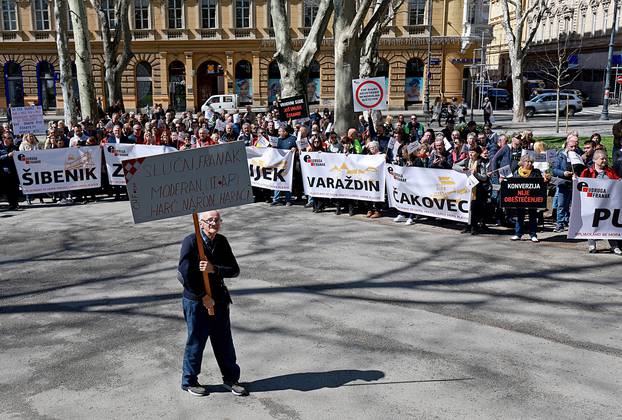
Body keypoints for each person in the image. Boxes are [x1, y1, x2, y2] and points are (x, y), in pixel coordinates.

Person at [178, 210, 249, 397]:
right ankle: (189, 381)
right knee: (196, 341)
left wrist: (213, 269)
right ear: (201, 223)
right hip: (196, 301)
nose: (213, 224)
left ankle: (231, 379)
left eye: (217, 220)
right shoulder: (192, 242)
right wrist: (203, 296)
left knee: (224, 341)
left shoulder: (222, 241)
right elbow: (184, 274)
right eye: (209, 220)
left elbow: (234, 270)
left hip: (219, 300)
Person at [579, 150, 622, 255]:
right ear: (595, 160)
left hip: (608, 203)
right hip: (592, 203)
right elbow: (581, 184)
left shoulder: (610, 172)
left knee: (609, 223)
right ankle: (592, 244)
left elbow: (616, 182)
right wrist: (576, 179)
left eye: (605, 158)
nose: (604, 160)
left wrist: (619, 181)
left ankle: (614, 246)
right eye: (602, 158)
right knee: (592, 223)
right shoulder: (587, 172)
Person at [509, 155, 548, 242]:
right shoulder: (516, 172)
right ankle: (518, 234)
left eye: (531, 162)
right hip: (520, 198)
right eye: (527, 161)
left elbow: (540, 184)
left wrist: (545, 180)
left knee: (533, 216)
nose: (529, 163)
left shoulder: (536, 172)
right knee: (519, 216)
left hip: (532, 198)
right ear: (522, 163)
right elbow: (512, 184)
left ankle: (533, 234)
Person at [453, 145, 488, 234]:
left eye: (472, 152)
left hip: (478, 188)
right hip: (467, 188)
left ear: (478, 153)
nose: (470, 154)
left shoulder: (481, 162)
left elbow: (484, 177)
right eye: (469, 152)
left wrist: (476, 174)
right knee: (467, 207)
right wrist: (463, 169)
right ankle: (467, 226)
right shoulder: (467, 160)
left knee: (475, 208)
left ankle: (474, 227)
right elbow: (454, 166)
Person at [551, 134, 579, 232]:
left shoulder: (579, 154)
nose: (574, 148)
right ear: (567, 145)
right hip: (563, 182)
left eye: (575, 146)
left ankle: (571, 221)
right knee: (561, 204)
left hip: (575, 183)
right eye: (571, 146)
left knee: (573, 204)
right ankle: (560, 223)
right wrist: (564, 173)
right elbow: (554, 170)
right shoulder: (560, 155)